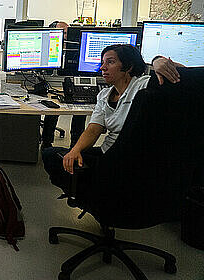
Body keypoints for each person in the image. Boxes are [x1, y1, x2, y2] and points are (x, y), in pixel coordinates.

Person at [42, 44, 182, 189]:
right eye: (103, 63)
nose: (103, 68)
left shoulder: (143, 85)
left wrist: (157, 60)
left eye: (110, 62)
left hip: (132, 157)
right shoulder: (104, 95)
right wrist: (75, 150)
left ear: (128, 66)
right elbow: (93, 130)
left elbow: (187, 78)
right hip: (108, 152)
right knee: (50, 155)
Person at [41, 20, 87, 150]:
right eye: (64, 33)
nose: (67, 36)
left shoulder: (76, 48)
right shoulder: (47, 49)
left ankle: (75, 145)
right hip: (53, 84)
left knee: (80, 111)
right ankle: (47, 142)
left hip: (72, 83)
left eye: (68, 33)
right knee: (53, 109)